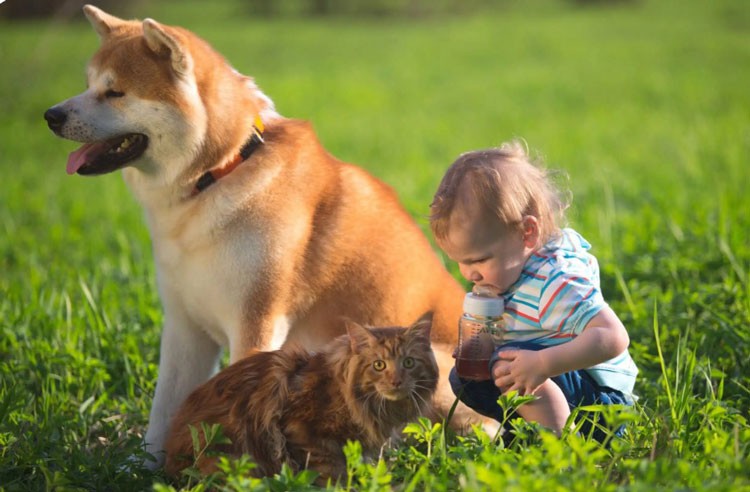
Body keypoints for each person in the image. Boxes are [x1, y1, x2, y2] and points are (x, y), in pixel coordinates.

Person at [429, 140, 638, 441]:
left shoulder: (556, 283)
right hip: (559, 387)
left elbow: (613, 337)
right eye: (460, 262)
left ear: (527, 233)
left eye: (479, 260)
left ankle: (560, 451)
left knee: (512, 363)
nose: (469, 273)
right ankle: (526, 436)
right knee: (467, 375)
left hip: (603, 405)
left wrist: (542, 363)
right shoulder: (509, 273)